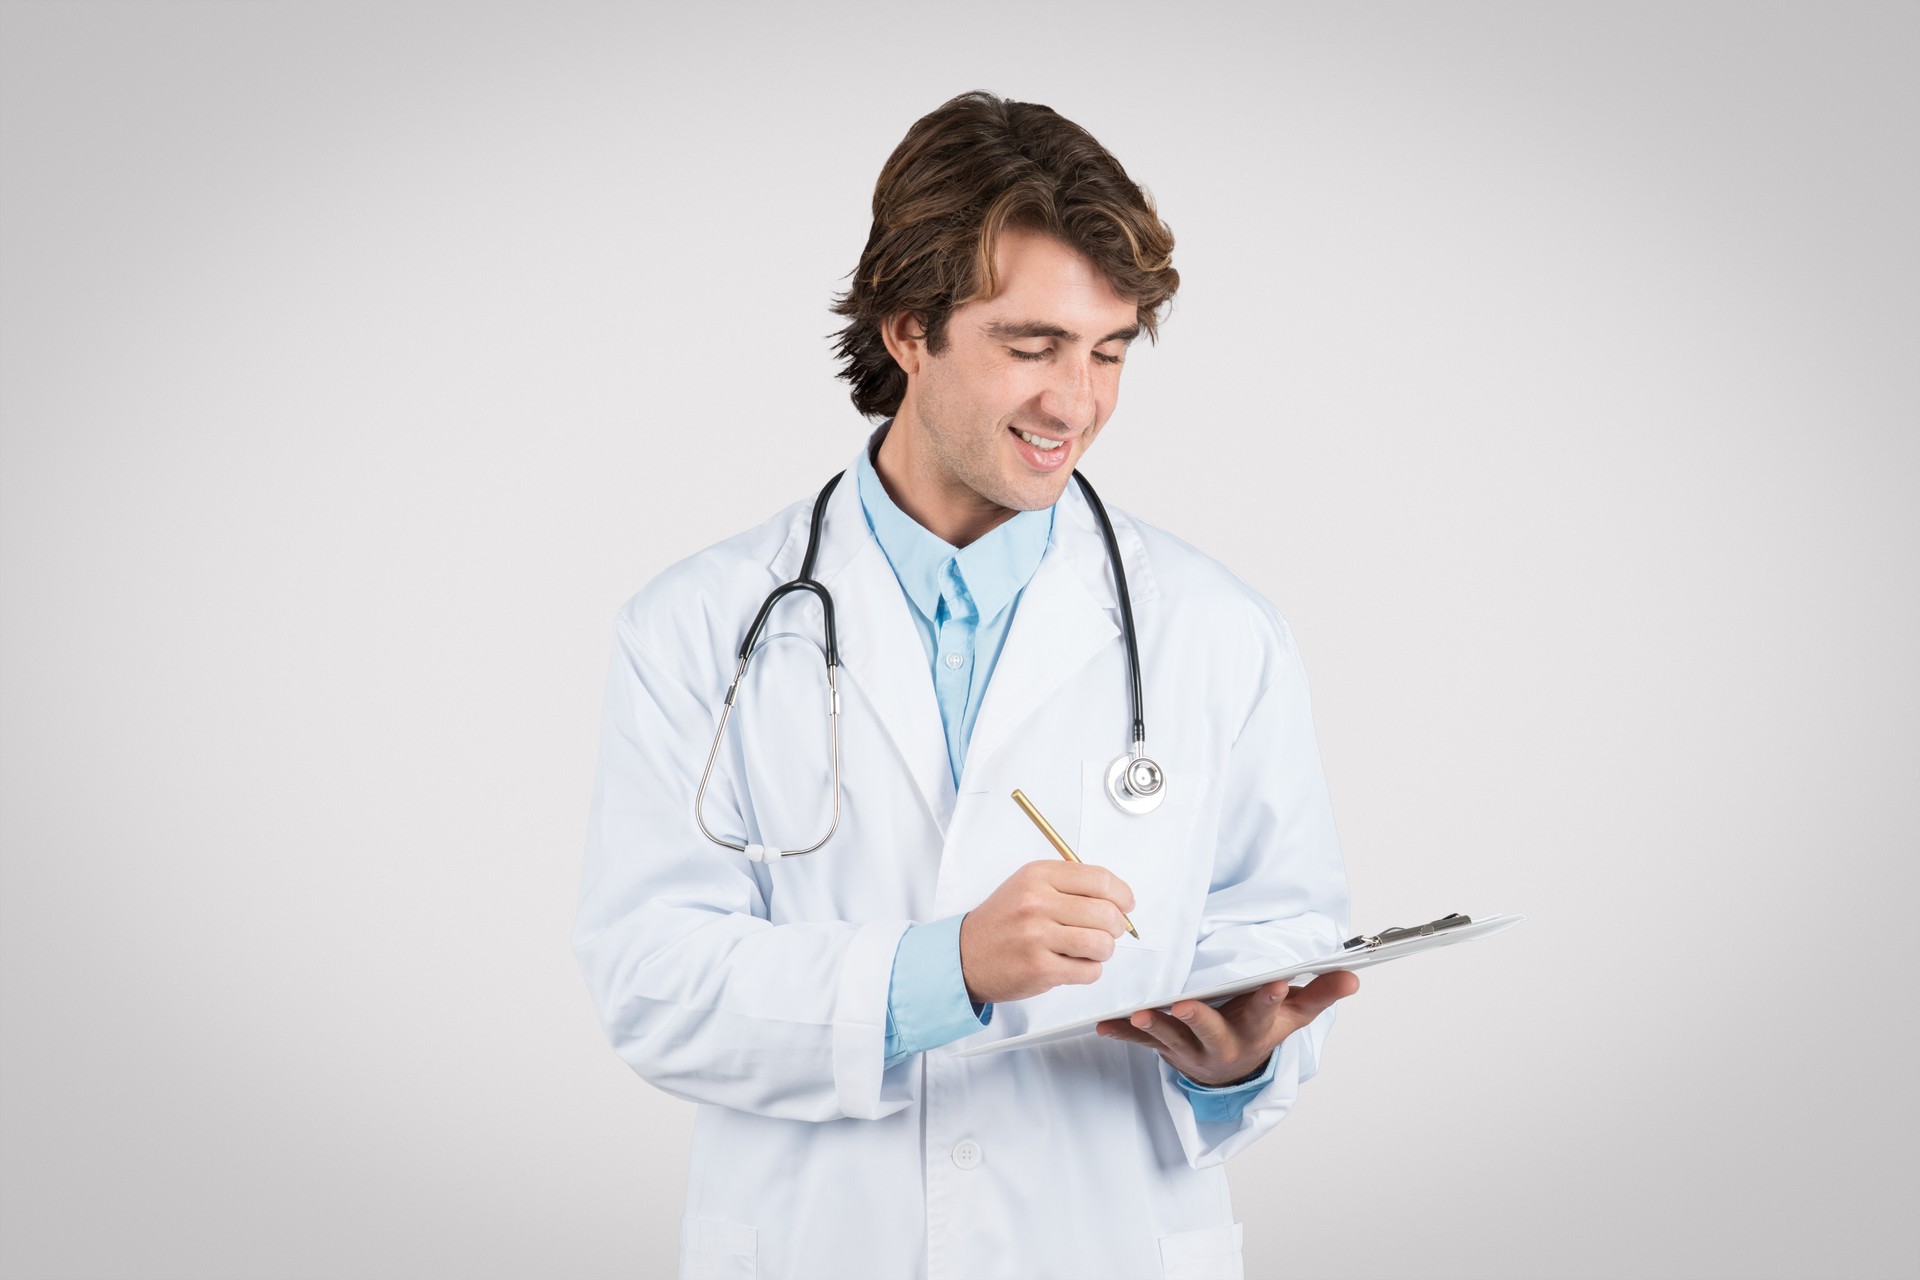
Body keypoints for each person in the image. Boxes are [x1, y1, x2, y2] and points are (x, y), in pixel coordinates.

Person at [574, 90, 1356, 1280]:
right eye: (1031, 346)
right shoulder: (698, 625)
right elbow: (653, 981)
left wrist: (1237, 1054)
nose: (1076, 403)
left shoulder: (1216, 631)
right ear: (907, 329)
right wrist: (947, 969)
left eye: (1107, 351)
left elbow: (1275, 922)